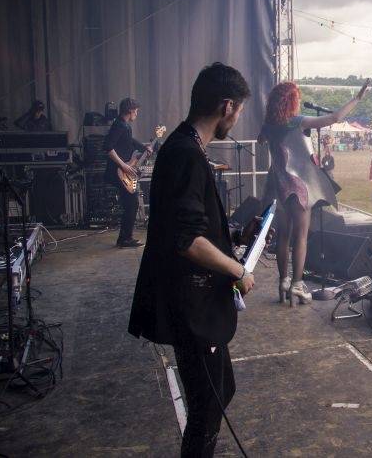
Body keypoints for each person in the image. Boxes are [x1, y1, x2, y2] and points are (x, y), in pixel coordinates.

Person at [127, 62, 255, 456]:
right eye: (239, 112)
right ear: (227, 106)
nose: (236, 120)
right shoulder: (186, 153)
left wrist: (233, 237)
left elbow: (189, 224)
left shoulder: (185, 148)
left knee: (220, 392)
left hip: (193, 301)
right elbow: (186, 239)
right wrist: (237, 268)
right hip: (191, 305)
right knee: (205, 410)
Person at [259, 79, 369, 305]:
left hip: (279, 187)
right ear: (291, 102)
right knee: (300, 236)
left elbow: (263, 140)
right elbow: (334, 118)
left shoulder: (269, 126)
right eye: (297, 99)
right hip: (299, 187)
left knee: (283, 236)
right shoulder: (297, 122)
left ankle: (283, 281)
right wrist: (356, 99)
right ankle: (298, 285)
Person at [103, 97, 151, 248]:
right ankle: (125, 239)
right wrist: (123, 165)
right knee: (132, 202)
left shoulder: (123, 125)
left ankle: (125, 238)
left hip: (121, 170)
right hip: (117, 171)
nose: (137, 113)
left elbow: (129, 140)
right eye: (136, 110)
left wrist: (145, 147)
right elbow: (108, 147)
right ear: (130, 111)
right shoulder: (120, 125)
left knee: (130, 202)